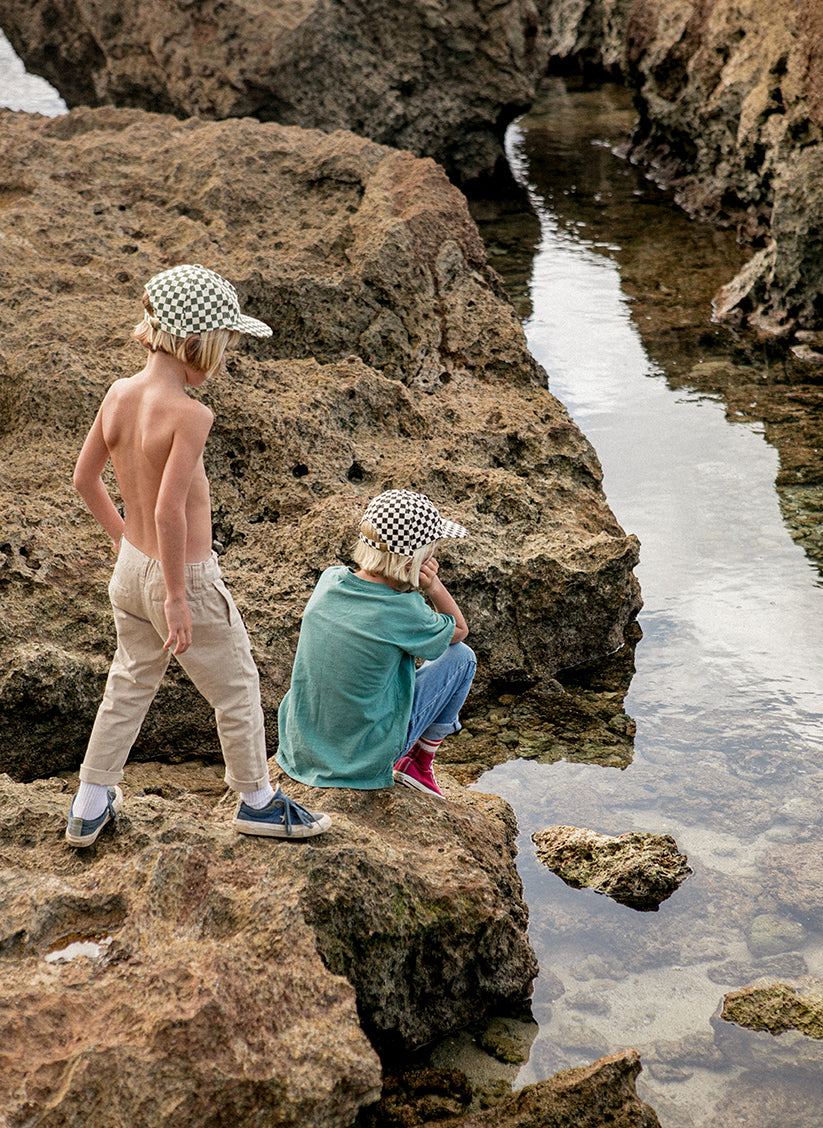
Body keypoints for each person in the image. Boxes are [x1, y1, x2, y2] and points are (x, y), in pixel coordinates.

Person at [66, 263, 331, 846]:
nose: (225, 360)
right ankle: (257, 801)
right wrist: (179, 596)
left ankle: (88, 803)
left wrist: (123, 546)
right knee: (236, 685)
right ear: (196, 344)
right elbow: (168, 513)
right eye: (225, 347)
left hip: (131, 571)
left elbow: (85, 481)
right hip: (181, 575)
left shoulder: (119, 394)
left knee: (129, 683)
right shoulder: (190, 414)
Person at [276, 489, 476, 796]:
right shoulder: (403, 611)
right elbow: (459, 630)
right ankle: (418, 763)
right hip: (361, 758)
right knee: (462, 657)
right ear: (414, 560)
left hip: (300, 746)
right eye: (431, 552)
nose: (434, 558)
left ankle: (412, 760)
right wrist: (433, 586)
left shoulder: (330, 580)